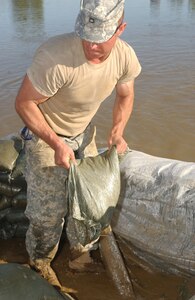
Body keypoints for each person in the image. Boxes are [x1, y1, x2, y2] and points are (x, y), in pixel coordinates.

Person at [15, 0, 141, 293]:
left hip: (84, 134)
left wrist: (117, 132)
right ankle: (40, 263)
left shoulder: (124, 57)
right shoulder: (54, 56)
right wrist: (56, 143)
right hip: (46, 136)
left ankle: (78, 255)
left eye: (99, 40)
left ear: (120, 29)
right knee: (48, 213)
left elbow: (125, 95)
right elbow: (23, 103)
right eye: (86, 35)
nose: (91, 45)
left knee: (92, 203)